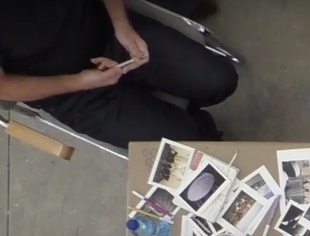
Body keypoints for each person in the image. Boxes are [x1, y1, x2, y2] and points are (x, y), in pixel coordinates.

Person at [0, 0, 238, 149]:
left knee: (219, 80)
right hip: (68, 92)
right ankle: (197, 131)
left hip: (108, 32)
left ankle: (182, 113)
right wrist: (80, 82)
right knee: (190, 149)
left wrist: (121, 25)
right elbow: (5, 88)